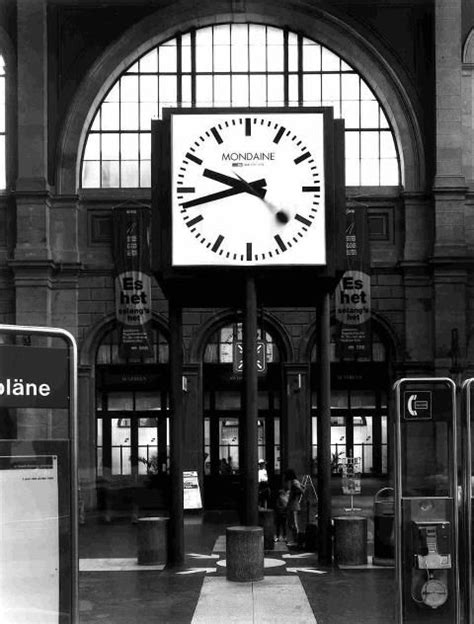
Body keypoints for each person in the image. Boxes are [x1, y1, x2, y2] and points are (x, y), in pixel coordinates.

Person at [284, 468, 304, 546]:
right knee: (291, 523)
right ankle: (295, 539)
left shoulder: (294, 482)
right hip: (293, 504)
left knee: (293, 523)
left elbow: (301, 490)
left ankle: (296, 540)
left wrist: (296, 493)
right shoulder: (294, 481)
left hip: (293, 504)